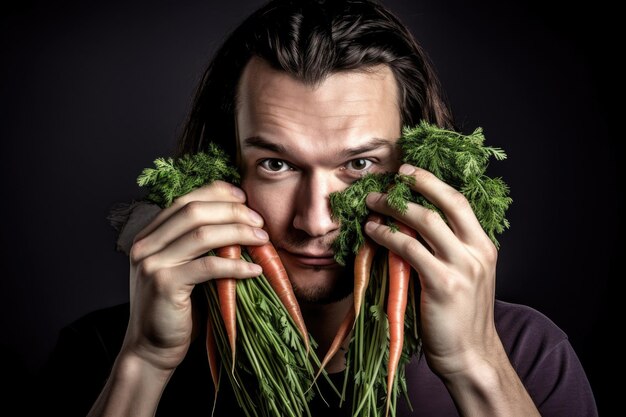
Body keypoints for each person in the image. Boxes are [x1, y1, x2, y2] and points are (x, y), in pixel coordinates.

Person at [37, 0, 598, 416]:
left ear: (420, 168)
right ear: (221, 165)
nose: (315, 222)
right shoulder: (104, 353)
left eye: (358, 165)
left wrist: (475, 365)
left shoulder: (524, 352)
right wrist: (145, 362)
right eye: (276, 165)